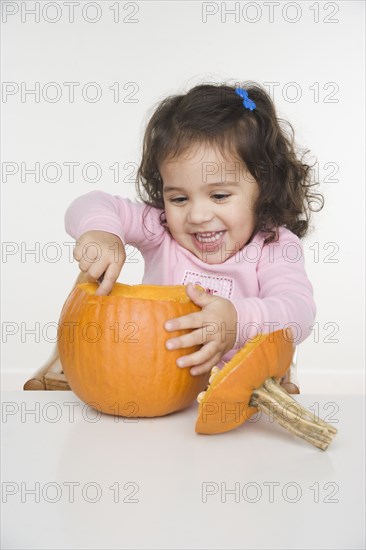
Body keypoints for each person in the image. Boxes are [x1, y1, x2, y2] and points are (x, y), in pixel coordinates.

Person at [64, 82, 324, 380]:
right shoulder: (161, 228)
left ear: (264, 189)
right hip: (158, 383)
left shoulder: (273, 246)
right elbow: (91, 203)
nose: (198, 216)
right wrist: (102, 232)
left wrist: (237, 321)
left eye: (220, 196)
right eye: (179, 198)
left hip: (241, 392)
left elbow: (298, 313)